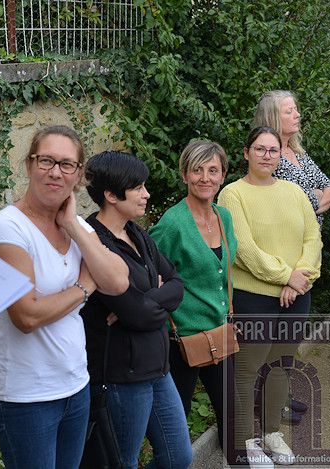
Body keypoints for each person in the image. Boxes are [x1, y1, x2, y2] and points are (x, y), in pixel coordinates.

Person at [0, 126, 130, 469]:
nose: (55, 172)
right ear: (30, 164)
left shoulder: (76, 226)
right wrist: (84, 287)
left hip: (75, 386)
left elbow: (119, 281)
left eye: (67, 164)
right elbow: (26, 316)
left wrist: (74, 227)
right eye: (46, 160)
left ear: (78, 175)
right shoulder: (8, 229)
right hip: (27, 397)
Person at [217, 126, 321, 468]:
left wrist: (299, 278)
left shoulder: (295, 192)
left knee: (282, 366)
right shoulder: (232, 194)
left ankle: (272, 432)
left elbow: (313, 240)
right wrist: (283, 276)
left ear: (282, 154)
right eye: (259, 149)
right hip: (253, 296)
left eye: (273, 150)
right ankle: (246, 440)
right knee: (248, 370)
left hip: (297, 294)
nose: (266, 155)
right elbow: (244, 248)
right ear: (246, 153)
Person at [81, 150, 192, 469]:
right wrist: (152, 299)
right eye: (138, 187)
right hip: (122, 375)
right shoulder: (94, 243)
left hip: (158, 368)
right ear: (112, 195)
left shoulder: (136, 232)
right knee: (123, 462)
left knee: (178, 458)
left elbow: (176, 283)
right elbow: (137, 314)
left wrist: (149, 296)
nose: (147, 194)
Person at [149, 141, 236, 451]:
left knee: (231, 412)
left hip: (219, 330)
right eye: (197, 170)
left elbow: (222, 273)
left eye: (213, 170)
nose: (205, 178)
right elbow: (150, 277)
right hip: (181, 339)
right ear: (184, 174)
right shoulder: (172, 225)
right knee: (176, 421)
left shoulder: (224, 217)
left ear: (223, 175)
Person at [253, 90, 330, 228]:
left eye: (296, 110)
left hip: (312, 243)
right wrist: (317, 194)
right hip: (285, 241)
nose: (297, 115)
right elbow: (289, 207)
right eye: (289, 111)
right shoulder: (266, 157)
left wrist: (314, 201)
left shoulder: (298, 152)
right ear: (272, 118)